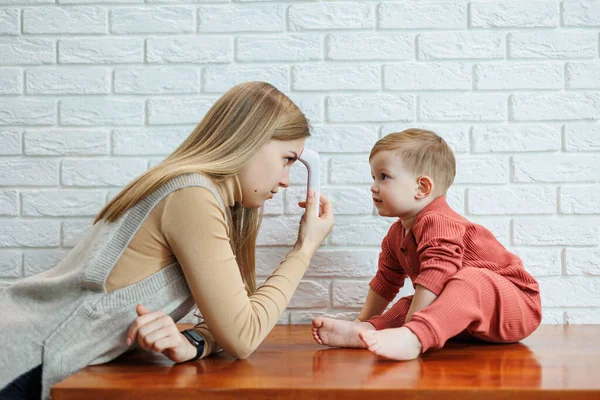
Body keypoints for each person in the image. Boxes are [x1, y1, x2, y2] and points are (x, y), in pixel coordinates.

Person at [0, 82, 334, 400]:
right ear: (250, 140)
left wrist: (192, 343)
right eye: (287, 159)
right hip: (24, 359)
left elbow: (232, 324)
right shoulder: (192, 194)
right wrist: (304, 249)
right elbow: (244, 335)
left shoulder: (200, 193)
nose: (288, 180)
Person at [311, 128, 541, 361]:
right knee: (410, 304)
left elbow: (437, 272)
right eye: (373, 177)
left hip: (515, 307)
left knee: (467, 280)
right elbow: (385, 281)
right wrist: (362, 320)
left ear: (422, 188)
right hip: (471, 321)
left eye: (384, 176)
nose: (373, 186)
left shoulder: (437, 221)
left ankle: (414, 337)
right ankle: (367, 330)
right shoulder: (396, 234)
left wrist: (412, 326)